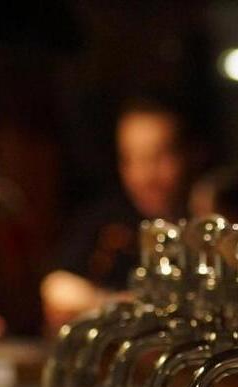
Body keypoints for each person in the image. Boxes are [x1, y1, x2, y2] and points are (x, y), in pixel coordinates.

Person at [41, 96, 190, 331]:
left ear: (191, 155)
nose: (146, 175)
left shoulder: (213, 219)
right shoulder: (107, 221)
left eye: (159, 157)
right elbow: (57, 288)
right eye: (132, 159)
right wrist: (126, 306)